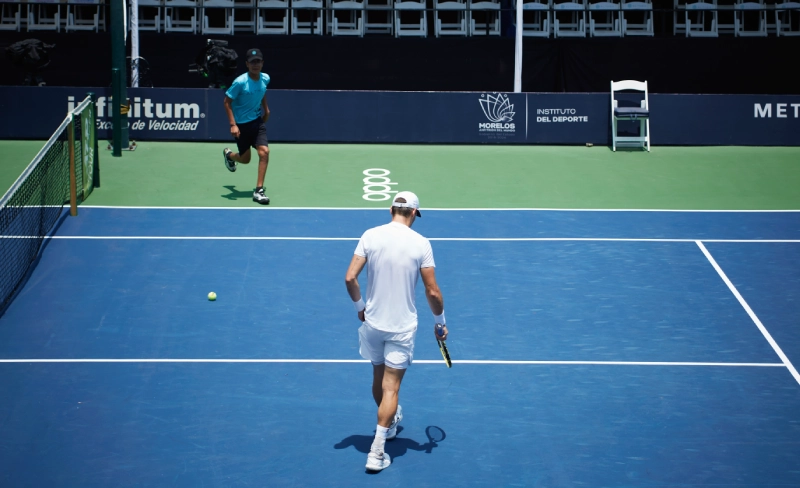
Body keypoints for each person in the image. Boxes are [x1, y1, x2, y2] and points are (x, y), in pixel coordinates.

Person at [344, 191, 447, 472]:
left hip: (373, 323)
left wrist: (360, 307)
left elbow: (350, 277)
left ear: (392, 209)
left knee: (379, 379)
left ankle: (387, 427)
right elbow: (432, 291)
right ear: (413, 213)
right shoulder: (421, 243)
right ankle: (376, 452)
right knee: (392, 388)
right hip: (400, 328)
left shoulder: (370, 235)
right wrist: (440, 321)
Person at [222, 48, 272, 205]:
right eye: (252, 62)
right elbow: (227, 102)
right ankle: (229, 155)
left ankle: (259, 190)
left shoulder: (265, 78)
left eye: (258, 62)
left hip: (257, 122)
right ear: (247, 64)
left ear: (262, 63)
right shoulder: (240, 82)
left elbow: (261, 91)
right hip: (241, 126)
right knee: (245, 159)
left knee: (264, 152)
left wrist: (266, 109)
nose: (255, 65)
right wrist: (233, 124)